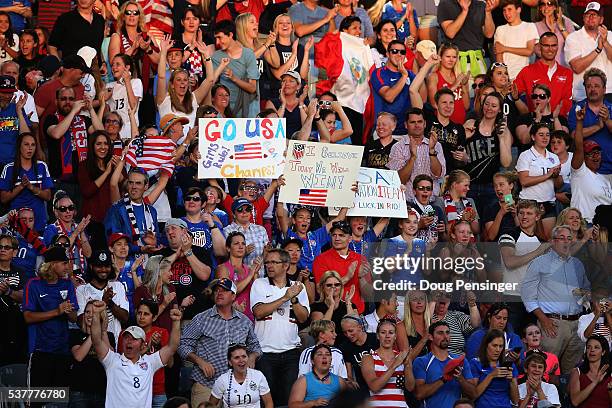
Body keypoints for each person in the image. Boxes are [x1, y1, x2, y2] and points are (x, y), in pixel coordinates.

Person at [179, 278, 262, 408]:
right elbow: (183, 345)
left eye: (224, 291)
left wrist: (252, 357)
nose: (219, 293)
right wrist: (200, 362)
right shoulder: (201, 319)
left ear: (233, 296)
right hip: (207, 384)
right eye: (217, 290)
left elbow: (255, 346)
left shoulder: (244, 321)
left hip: (237, 385)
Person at [522, 224, 592, 374]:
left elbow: (587, 290)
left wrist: (585, 294)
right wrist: (544, 320)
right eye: (562, 238)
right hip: (552, 324)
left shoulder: (577, 265)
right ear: (553, 241)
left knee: (571, 373)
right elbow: (527, 295)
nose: (566, 242)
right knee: (545, 370)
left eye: (569, 238)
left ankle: (564, 397)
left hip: (576, 324)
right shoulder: (540, 262)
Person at [90, 297, 182, 408]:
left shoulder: (150, 362)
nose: (129, 341)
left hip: (158, 391)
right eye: (127, 337)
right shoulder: (112, 360)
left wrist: (176, 322)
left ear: (143, 345)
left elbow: (172, 347)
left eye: (134, 339)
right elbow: (96, 341)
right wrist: (95, 314)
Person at [250, 248, 310, 406]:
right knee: (266, 402)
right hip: (265, 352)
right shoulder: (259, 284)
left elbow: (303, 318)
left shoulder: (298, 287)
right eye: (267, 262)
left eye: (274, 262)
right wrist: (286, 297)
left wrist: (294, 299)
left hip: (291, 352)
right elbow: (258, 312)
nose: (269, 265)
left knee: (289, 400)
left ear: (286, 266)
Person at [23, 246, 78, 388]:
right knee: (38, 399)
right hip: (39, 350)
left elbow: (73, 318)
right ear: (53, 265)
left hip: (63, 350)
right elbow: (28, 317)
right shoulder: (33, 284)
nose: (68, 267)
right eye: (64, 263)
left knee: (59, 398)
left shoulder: (67, 285)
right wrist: (57, 312)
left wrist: (68, 310)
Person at [568, 71, 612, 222]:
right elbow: (574, 135)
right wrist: (598, 126)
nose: (592, 89)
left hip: (610, 170)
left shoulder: (611, 108)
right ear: (585, 89)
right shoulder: (578, 109)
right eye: (589, 86)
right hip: (586, 172)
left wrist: (607, 121)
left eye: (596, 86)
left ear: (604, 89)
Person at [463, 92, 513, 216]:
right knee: (472, 225)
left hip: (492, 187)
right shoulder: (470, 124)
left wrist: (501, 139)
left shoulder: (503, 130)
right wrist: (464, 139)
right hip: (470, 185)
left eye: (494, 106)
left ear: (500, 109)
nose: (489, 108)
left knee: (490, 223)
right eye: (487, 104)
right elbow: (457, 152)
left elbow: (506, 163)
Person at [153, 217, 213, 320]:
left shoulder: (200, 251)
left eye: (173, 228)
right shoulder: (160, 254)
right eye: (167, 230)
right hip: (168, 315)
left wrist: (188, 252)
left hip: (197, 314)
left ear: (184, 231)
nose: (170, 232)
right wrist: (176, 254)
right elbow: (155, 275)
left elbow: (204, 275)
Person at [387, 107, 446, 200]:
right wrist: (413, 157)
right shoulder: (398, 147)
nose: (417, 125)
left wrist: (431, 151)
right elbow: (399, 180)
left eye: (420, 122)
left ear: (425, 124)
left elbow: (438, 174)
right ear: (406, 125)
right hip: (407, 201)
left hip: (432, 201)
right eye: (412, 122)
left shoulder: (436, 145)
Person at [413, 321, 476, 408]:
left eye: (447, 333)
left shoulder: (461, 361)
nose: (445, 336)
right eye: (440, 333)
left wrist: (460, 378)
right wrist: (444, 379)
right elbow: (419, 394)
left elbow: (473, 394)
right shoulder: (421, 361)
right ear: (431, 337)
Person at [516, 123, 562, 240]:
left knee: (548, 239)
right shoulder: (525, 155)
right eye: (541, 134)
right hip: (529, 203)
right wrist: (548, 175)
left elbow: (557, 185)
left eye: (547, 135)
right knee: (530, 238)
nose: (545, 138)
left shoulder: (554, 157)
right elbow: (524, 181)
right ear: (533, 137)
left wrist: (556, 176)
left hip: (549, 202)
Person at [0, 132, 52, 232]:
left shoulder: (42, 166)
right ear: (19, 147)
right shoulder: (9, 168)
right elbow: (3, 198)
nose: (30, 148)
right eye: (26, 144)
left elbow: (48, 196)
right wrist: (20, 187)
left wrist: (31, 187)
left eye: (33, 145)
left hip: (38, 223)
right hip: (16, 224)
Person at [516, 32, 573, 120]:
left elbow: (566, 101)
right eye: (546, 45)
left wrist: (554, 118)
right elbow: (513, 94)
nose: (550, 49)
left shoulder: (567, 73)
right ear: (539, 47)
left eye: (553, 45)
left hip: (558, 121)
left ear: (558, 47)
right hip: (535, 122)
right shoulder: (527, 71)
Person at [76, 249, 129, 344]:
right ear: (92, 266)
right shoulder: (81, 290)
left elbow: (125, 318)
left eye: (107, 266)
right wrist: (103, 303)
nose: (103, 269)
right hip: (91, 344)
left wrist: (110, 303)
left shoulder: (118, 286)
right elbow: (80, 322)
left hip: (115, 343)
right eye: (99, 266)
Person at [104, 168, 161, 255]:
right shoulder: (116, 209)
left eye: (138, 183)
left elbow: (157, 238)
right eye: (131, 182)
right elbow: (113, 241)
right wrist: (140, 249)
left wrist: (154, 243)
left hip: (148, 262)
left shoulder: (151, 211)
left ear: (146, 186)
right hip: (125, 264)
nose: (134, 186)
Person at [563, 2, 612, 102]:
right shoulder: (573, 38)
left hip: (609, 92)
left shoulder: (610, 35)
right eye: (587, 14)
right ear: (583, 18)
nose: (590, 17)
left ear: (601, 19)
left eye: (594, 15)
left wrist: (605, 42)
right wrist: (598, 50)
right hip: (584, 95)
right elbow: (576, 67)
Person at [360, 319, 414, 407]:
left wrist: (408, 366)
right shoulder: (368, 358)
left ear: (395, 336)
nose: (387, 336)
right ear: (377, 336)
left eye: (391, 332)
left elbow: (410, 387)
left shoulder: (401, 357)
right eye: (383, 332)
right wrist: (394, 365)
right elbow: (374, 387)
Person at [212, 20, 260, 118]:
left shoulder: (248, 54)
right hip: (224, 110)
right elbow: (211, 83)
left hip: (246, 108)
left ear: (230, 35)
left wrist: (234, 78)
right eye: (216, 38)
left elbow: (252, 88)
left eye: (219, 37)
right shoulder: (216, 56)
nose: (217, 42)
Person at [436, 0, 494, 77]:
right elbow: (450, 33)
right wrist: (464, 11)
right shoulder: (446, 4)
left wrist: (488, 12)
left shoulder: (481, 5)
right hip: (455, 62)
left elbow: (489, 34)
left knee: (482, 88)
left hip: (477, 60)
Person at [370, 40, 417, 136]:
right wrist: (404, 76)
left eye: (402, 52)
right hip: (385, 132)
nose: (399, 54)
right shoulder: (379, 73)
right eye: (394, 51)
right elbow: (389, 97)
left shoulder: (410, 74)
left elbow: (422, 98)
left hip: (406, 132)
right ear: (387, 54)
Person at [44, 191, 92, 278]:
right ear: (56, 212)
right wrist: (77, 232)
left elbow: (88, 254)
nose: (68, 211)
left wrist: (81, 232)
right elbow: (58, 253)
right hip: (60, 277)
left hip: (81, 276)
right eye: (63, 209)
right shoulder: (51, 229)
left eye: (71, 208)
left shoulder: (79, 227)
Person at [467, 329, 520, 408]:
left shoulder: (509, 365)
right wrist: (491, 375)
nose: (498, 350)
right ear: (486, 345)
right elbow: (473, 396)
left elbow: (515, 401)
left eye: (501, 346)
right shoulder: (475, 363)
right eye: (494, 345)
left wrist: (512, 380)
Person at [209, 343, 273, 408]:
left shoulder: (258, 375)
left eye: (244, 356)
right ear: (230, 362)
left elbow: (269, 403)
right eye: (237, 358)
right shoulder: (222, 380)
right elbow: (210, 405)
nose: (241, 360)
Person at [215, 231, 260, 321]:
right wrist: (251, 275)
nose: (241, 246)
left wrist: (255, 273)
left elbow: (258, 293)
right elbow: (228, 291)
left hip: (249, 318)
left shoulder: (249, 269)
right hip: (229, 318)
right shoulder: (222, 268)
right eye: (236, 243)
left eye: (243, 243)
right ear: (228, 248)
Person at [289, 343, 346, 407]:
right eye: (320, 354)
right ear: (312, 361)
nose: (324, 357)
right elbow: (292, 405)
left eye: (327, 354)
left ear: (331, 360)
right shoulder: (303, 381)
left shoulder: (340, 381)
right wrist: (313, 403)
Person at [493, 0, 538, 80]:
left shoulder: (529, 26)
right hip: (506, 78)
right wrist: (504, 77)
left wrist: (505, 48)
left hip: (523, 76)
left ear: (518, 10)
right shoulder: (500, 29)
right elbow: (499, 56)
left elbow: (529, 51)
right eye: (504, 10)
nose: (506, 13)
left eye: (509, 9)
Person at [515, 84, 569, 149]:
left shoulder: (560, 118)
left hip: (553, 156)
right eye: (535, 96)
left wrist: (556, 118)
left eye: (542, 96)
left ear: (548, 99)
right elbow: (524, 140)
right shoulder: (524, 118)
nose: (538, 99)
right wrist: (536, 120)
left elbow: (563, 143)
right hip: (531, 156)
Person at [310, 270, 357, 346]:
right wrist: (331, 306)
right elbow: (320, 331)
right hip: (327, 347)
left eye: (337, 284)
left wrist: (348, 303)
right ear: (322, 287)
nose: (333, 287)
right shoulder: (316, 306)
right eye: (329, 285)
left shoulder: (350, 305)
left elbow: (354, 328)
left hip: (349, 346)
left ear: (341, 286)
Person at [0, 233, 26, 364]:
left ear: (14, 252)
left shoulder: (20, 272)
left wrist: (8, 291)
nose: (2, 250)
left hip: (14, 325)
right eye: (0, 247)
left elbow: (23, 297)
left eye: (6, 247)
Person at [339, 314, 380, 395]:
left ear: (360, 327)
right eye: (345, 332)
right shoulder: (345, 347)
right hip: (363, 388)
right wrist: (350, 381)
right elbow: (349, 375)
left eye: (350, 331)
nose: (348, 335)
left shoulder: (375, 339)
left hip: (380, 381)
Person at [431, 291, 481, 356]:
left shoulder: (456, 315)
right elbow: (425, 321)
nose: (443, 297)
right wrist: (433, 300)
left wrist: (472, 304)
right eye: (439, 295)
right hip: (436, 360)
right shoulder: (428, 315)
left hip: (458, 361)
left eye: (447, 295)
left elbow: (476, 324)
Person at [223, 198, 269, 267]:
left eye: (247, 209)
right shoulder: (227, 230)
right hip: (237, 275)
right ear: (233, 214)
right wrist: (244, 253)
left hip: (260, 275)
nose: (244, 212)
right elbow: (225, 256)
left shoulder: (260, 229)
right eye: (240, 210)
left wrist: (267, 253)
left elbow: (266, 257)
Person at [568, 335, 611, 407]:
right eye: (588, 347)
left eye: (596, 347)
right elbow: (575, 401)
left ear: (603, 352)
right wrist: (595, 382)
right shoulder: (577, 372)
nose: (592, 350)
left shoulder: (610, 374)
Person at [108, 232, 143, 322]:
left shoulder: (134, 264)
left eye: (126, 244)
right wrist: (116, 273)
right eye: (119, 244)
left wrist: (134, 271)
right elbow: (106, 291)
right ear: (111, 248)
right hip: (114, 313)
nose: (123, 247)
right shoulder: (106, 267)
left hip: (133, 312)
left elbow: (140, 291)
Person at [0, 74, 30, 166]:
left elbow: (26, 136)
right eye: (3, 93)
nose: (7, 96)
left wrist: (19, 112)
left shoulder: (17, 109)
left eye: (10, 93)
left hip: (14, 163)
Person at [533, 0, 574, 67]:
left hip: (563, 68)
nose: (546, 7)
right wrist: (551, 31)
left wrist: (561, 26)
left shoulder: (566, 22)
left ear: (555, 7)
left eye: (550, 4)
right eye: (543, 4)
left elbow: (573, 45)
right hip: (543, 69)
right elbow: (539, 52)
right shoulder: (535, 26)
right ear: (540, 8)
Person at [483, 172, 519, 242]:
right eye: (495, 186)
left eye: (501, 185)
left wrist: (515, 217)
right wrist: (501, 213)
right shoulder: (490, 208)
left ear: (511, 185)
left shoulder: (520, 204)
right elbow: (491, 236)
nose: (498, 188)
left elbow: (523, 233)